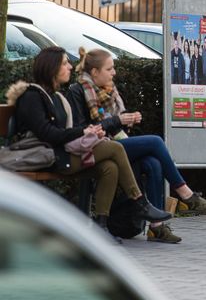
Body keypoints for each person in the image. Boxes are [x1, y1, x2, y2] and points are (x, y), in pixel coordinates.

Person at [8, 47, 171, 241]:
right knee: (115, 148)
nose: (70, 66)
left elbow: (65, 132)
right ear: (52, 68)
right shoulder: (32, 96)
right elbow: (48, 134)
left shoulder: (57, 97)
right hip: (48, 157)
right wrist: (84, 131)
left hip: (61, 153)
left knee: (109, 167)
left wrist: (91, 132)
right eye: (65, 63)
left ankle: (101, 227)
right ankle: (139, 201)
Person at [68, 47, 206, 243]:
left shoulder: (109, 91)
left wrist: (128, 122)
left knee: (153, 163)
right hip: (98, 149)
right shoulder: (78, 91)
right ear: (95, 72)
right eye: (109, 69)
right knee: (155, 141)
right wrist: (118, 121)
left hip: (117, 144)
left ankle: (157, 228)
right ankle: (185, 193)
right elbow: (82, 130)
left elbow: (118, 127)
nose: (114, 72)